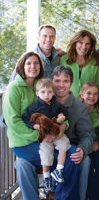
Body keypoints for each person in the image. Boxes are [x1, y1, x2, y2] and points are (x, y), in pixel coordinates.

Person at [3, 52, 79, 200]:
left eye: (36, 63)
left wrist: (63, 126)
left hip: (48, 138)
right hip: (24, 142)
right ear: (21, 66)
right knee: (70, 159)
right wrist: (43, 135)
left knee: (75, 153)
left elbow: (57, 111)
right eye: (29, 63)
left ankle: (62, 196)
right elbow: (13, 122)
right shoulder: (14, 88)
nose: (33, 66)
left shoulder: (43, 85)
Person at [51, 66, 96, 200]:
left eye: (65, 81)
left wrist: (83, 149)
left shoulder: (80, 107)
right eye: (57, 81)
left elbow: (87, 134)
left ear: (71, 84)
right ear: (52, 81)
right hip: (45, 148)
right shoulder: (44, 99)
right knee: (22, 164)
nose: (61, 85)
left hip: (68, 148)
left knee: (85, 159)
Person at [22, 78, 70, 194]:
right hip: (44, 137)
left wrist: (62, 115)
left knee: (64, 145)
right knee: (46, 154)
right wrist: (34, 126)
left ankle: (59, 170)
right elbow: (26, 119)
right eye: (43, 92)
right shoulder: (33, 107)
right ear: (37, 93)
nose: (46, 95)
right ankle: (46, 177)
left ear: (53, 92)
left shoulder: (57, 105)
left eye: (49, 92)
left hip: (56, 133)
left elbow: (65, 113)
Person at [78, 82, 99, 200]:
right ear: (82, 94)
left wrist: (98, 141)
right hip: (81, 145)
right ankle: (85, 195)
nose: (92, 96)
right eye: (89, 93)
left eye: (96, 94)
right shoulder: (76, 110)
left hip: (97, 145)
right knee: (87, 166)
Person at [60, 30, 99, 98]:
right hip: (68, 104)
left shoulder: (97, 61)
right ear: (75, 43)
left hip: (90, 104)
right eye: (80, 43)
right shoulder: (64, 60)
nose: (84, 47)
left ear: (91, 46)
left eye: (87, 44)